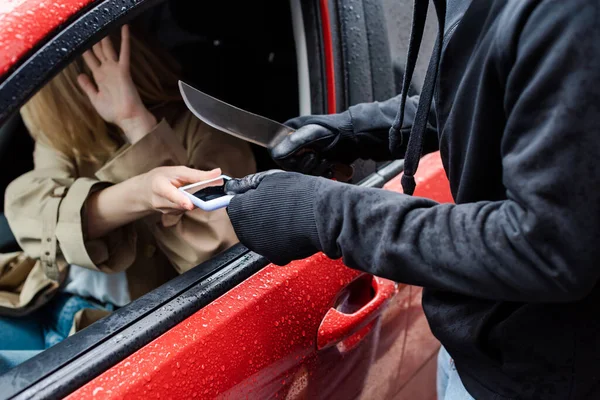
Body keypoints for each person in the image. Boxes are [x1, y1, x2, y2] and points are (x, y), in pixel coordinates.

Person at [224, 0, 600, 399]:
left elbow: (545, 246)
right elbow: (483, 91)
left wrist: (322, 213)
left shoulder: (571, 14)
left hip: (540, 378)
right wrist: (353, 131)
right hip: (480, 348)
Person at [0, 24, 255, 370]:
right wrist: (139, 193)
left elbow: (221, 253)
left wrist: (136, 123)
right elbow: (30, 207)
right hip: (41, 299)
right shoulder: (68, 138)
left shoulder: (205, 131)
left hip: (118, 336)